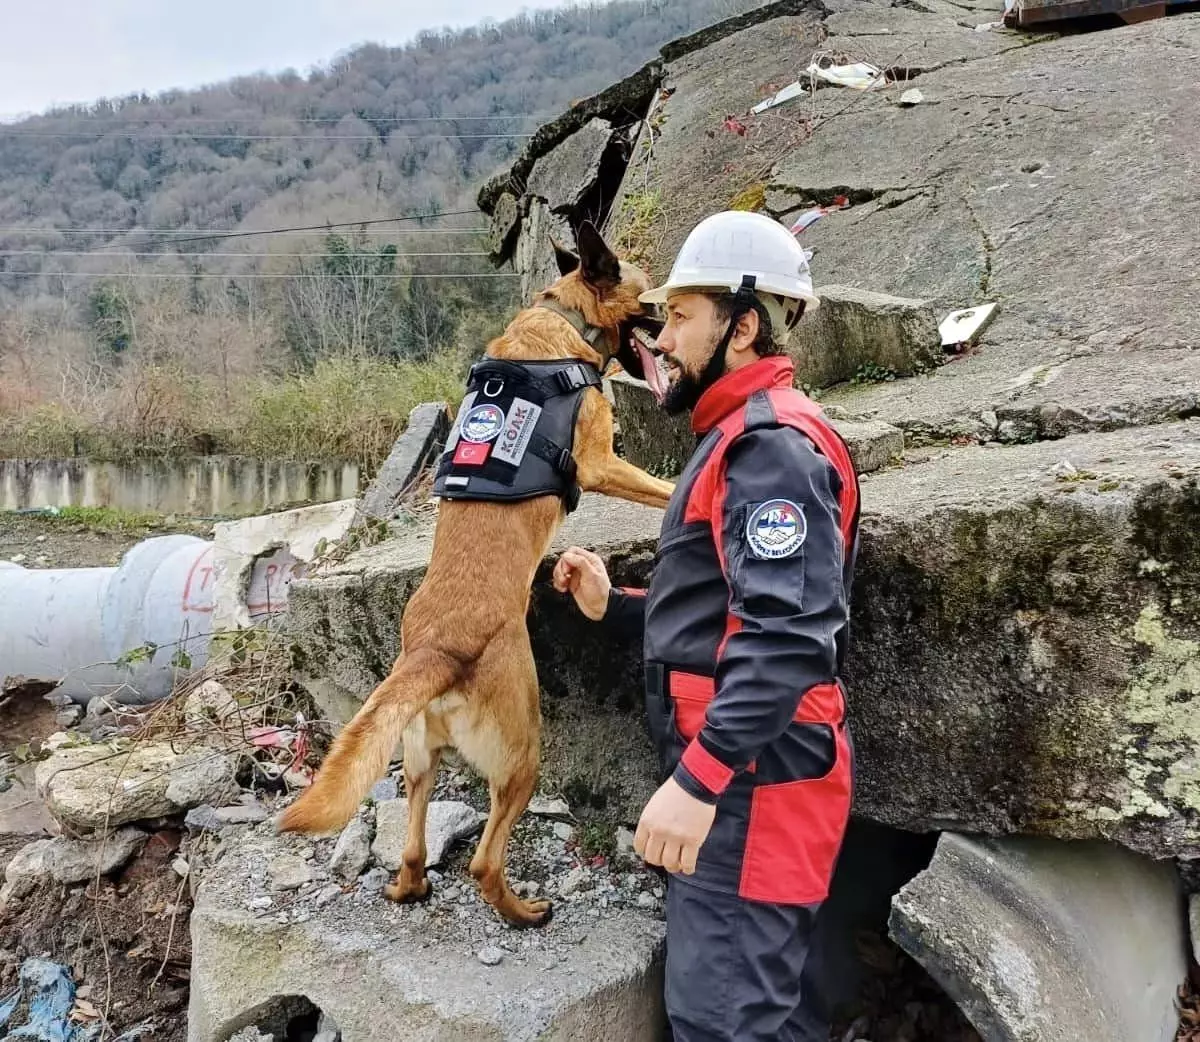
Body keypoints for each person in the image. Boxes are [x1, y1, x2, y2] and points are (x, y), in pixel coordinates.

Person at [552, 210, 861, 1042]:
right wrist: (616, 609)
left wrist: (698, 783)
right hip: (749, 770)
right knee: (770, 1010)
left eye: (683, 315)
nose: (663, 338)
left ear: (745, 324)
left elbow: (788, 637)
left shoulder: (770, 449)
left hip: (752, 778)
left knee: (724, 1020)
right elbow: (734, 613)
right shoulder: (735, 438)